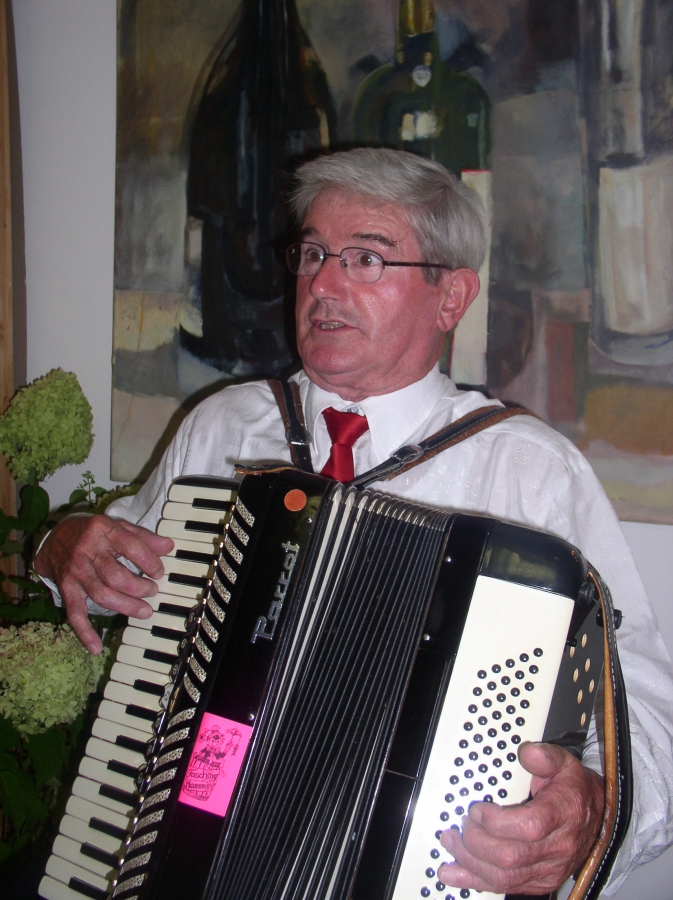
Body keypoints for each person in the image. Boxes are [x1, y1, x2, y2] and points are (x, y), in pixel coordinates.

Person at [34, 148, 673, 897]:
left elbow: (646, 711)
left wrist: (589, 811)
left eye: (367, 259)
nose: (322, 285)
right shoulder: (224, 426)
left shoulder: (529, 470)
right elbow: (114, 569)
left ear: (451, 297)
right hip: (190, 849)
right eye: (312, 254)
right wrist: (61, 546)